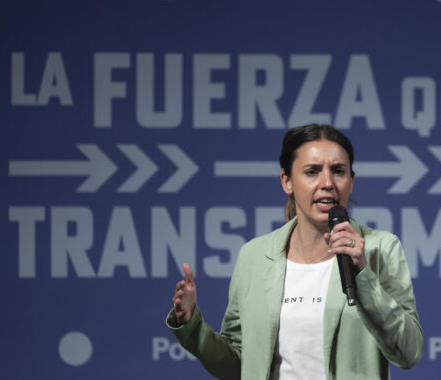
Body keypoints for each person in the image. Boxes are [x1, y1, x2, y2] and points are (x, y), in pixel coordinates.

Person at [167, 124, 423, 379]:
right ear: (287, 181)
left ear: (351, 182)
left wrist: (363, 275)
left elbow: (408, 353)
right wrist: (192, 324)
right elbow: (239, 365)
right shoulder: (254, 256)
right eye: (312, 171)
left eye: (338, 171)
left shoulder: (381, 248)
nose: (327, 183)